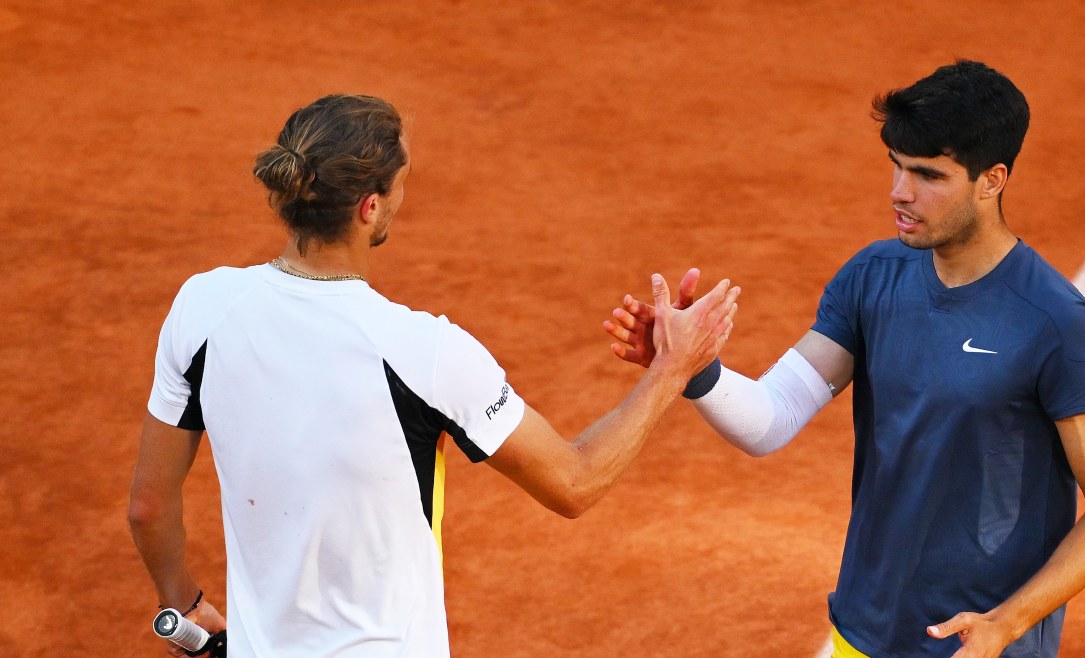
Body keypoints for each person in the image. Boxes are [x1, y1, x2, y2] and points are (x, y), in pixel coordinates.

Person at [128, 93, 740, 657]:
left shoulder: (202, 307)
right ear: (370, 207)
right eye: (400, 185)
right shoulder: (426, 352)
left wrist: (180, 603)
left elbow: (149, 507)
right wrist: (672, 369)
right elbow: (574, 483)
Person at [604, 60, 1085, 658]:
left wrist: (1006, 624)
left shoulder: (1061, 328)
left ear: (992, 180)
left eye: (928, 175)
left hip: (977, 647)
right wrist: (689, 370)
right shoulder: (873, 277)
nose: (900, 193)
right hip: (862, 631)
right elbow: (770, 419)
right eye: (897, 168)